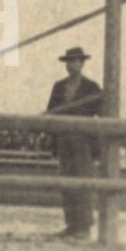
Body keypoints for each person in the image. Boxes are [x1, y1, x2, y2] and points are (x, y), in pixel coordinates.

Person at [46, 46, 103, 240]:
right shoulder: (59, 87)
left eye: (75, 61)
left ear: (82, 63)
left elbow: (103, 114)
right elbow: (51, 113)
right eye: (69, 62)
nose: (71, 65)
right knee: (66, 182)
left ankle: (84, 227)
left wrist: (95, 141)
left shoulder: (92, 88)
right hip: (64, 140)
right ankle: (71, 224)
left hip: (83, 142)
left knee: (83, 182)